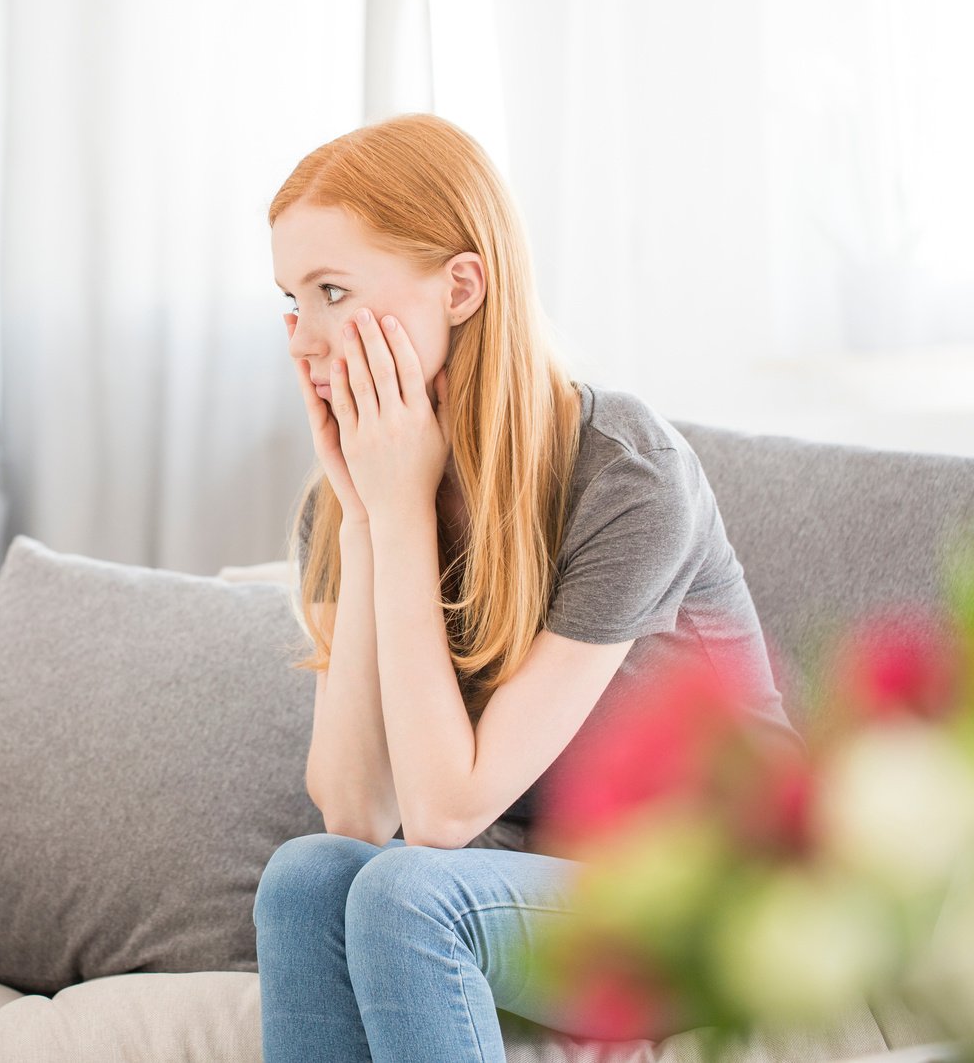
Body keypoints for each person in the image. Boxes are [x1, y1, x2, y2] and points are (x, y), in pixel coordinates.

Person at [252, 113, 797, 1063]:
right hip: (539, 887)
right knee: (305, 875)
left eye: (333, 291)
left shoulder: (625, 474)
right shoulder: (351, 499)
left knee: (404, 892)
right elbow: (355, 811)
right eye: (290, 300)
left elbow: (442, 816)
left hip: (716, 905)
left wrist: (402, 511)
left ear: (461, 286)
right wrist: (375, 518)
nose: (304, 340)